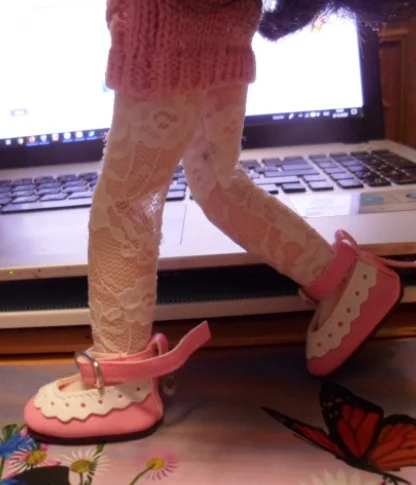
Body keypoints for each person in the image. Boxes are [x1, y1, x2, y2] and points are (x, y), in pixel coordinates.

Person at [24, 0, 416, 444]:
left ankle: (120, 376)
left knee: (127, 202)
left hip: (163, 31)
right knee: (218, 183)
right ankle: (338, 279)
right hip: (219, 34)